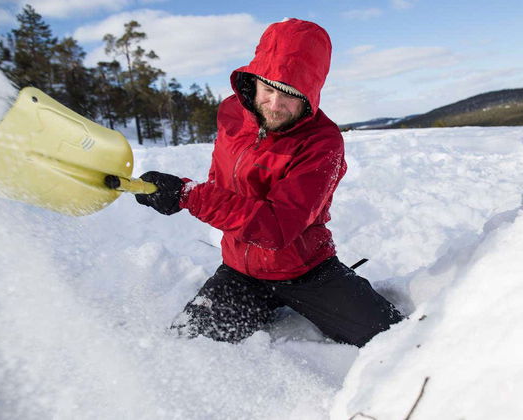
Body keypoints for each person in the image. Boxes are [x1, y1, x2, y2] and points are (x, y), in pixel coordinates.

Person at [135, 18, 403, 347]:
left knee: (400, 341)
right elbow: (223, 184)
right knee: (184, 345)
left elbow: (277, 228)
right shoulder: (231, 114)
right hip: (240, 271)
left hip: (307, 271)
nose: (275, 105)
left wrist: (191, 197)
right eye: (269, 89)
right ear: (254, 81)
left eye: (290, 95)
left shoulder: (323, 142)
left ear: (311, 94)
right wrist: (170, 195)